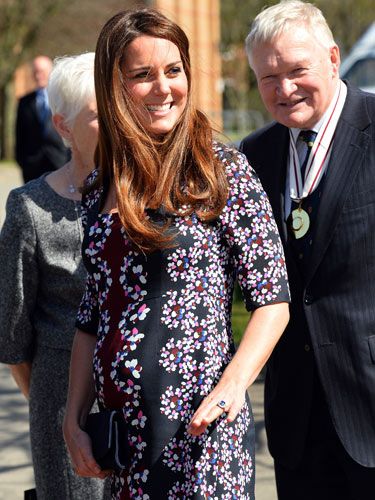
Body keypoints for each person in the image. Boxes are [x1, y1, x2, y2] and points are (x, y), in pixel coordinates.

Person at [62, 8, 290, 499]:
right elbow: (92, 313)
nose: (164, 88)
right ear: (114, 86)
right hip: (123, 436)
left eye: (173, 70)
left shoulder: (220, 169)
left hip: (201, 433)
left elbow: (272, 300)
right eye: (142, 75)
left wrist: (233, 386)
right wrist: (72, 418)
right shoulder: (100, 184)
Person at [240, 1, 375, 499]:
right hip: (295, 418)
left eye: (298, 70)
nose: (285, 88)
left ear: (334, 58)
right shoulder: (254, 154)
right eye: (268, 77)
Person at [0, 53, 108, 500]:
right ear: (63, 127)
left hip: (146, 408)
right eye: (100, 114)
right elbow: (13, 336)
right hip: (64, 410)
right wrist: (55, 404)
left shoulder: (148, 197)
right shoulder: (31, 209)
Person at [15, 55, 69, 183]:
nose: (38, 76)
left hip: (60, 162)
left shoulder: (64, 99)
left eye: (42, 72)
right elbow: (19, 134)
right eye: (35, 72)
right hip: (32, 167)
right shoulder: (24, 102)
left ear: (51, 72)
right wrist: (23, 161)